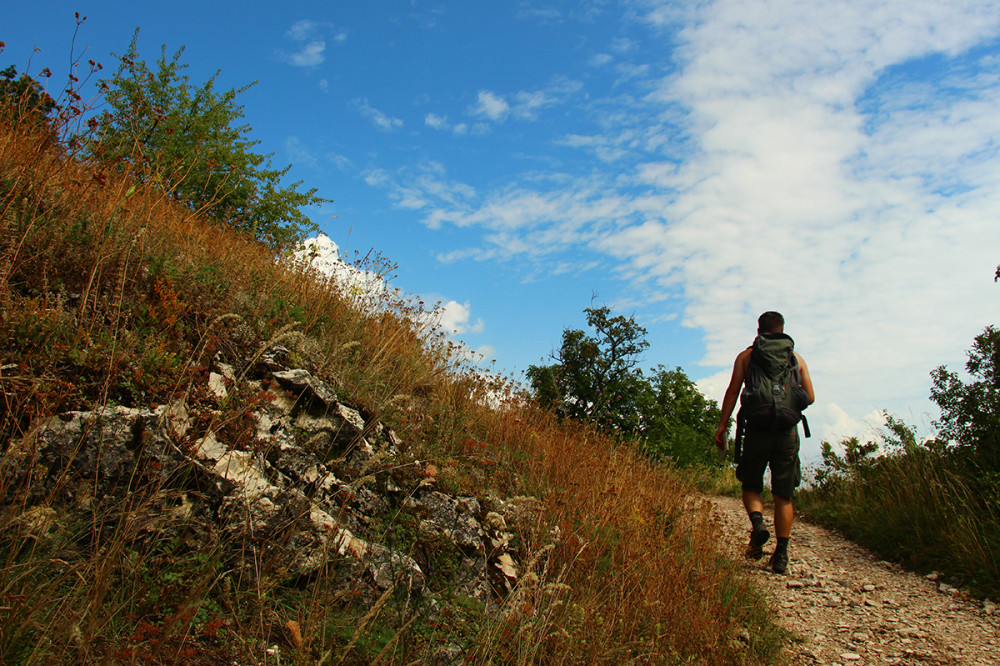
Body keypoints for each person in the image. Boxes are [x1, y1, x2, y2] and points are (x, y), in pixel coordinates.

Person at [714, 311, 815, 574]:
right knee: (783, 495)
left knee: (751, 484)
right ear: (782, 330)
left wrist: (723, 425)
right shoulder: (796, 359)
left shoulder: (747, 357)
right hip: (787, 432)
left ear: (758, 331)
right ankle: (781, 555)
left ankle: (758, 525)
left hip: (757, 430)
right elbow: (811, 397)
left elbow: (733, 391)